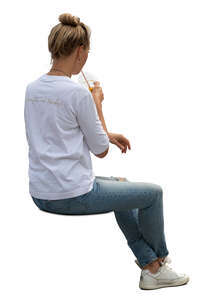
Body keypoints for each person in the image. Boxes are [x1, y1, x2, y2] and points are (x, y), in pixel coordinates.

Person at [24, 12, 189, 290]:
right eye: (87, 51)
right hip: (71, 194)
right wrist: (97, 103)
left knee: (122, 187)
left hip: (42, 192)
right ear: (80, 52)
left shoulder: (32, 89)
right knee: (152, 194)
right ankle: (159, 262)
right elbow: (100, 151)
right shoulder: (77, 94)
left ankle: (149, 266)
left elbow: (57, 132)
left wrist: (108, 135)